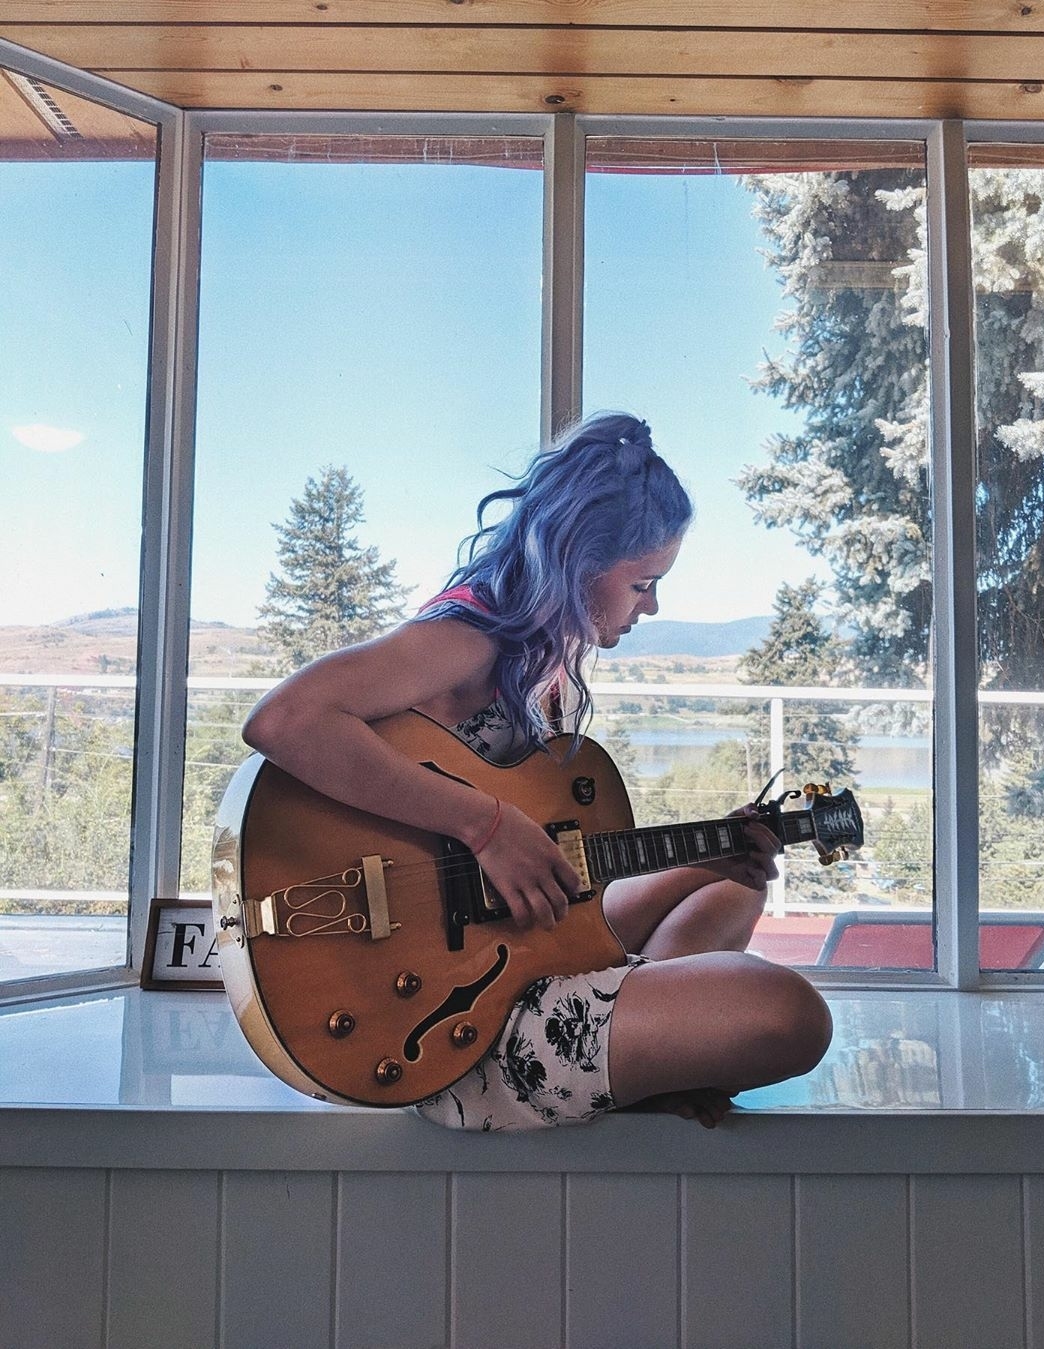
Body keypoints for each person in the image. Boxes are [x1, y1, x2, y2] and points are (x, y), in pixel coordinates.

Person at [242, 412, 832, 1130]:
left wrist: (705, 851)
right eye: (643, 582)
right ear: (581, 561)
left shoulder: (535, 660)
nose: (653, 605)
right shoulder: (465, 639)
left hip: (523, 950)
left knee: (732, 883)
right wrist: (486, 825)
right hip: (464, 1025)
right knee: (791, 1014)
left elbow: (552, 879)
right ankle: (651, 1049)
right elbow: (284, 720)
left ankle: (654, 1049)